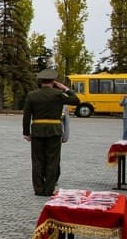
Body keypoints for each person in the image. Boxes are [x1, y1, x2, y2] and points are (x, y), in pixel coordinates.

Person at [22, 68, 82, 196]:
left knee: (37, 160)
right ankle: (49, 189)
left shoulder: (32, 95)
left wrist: (26, 132)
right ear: (53, 81)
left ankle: (38, 189)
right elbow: (76, 100)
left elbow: (26, 115)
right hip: (54, 130)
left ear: (41, 81)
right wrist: (65, 88)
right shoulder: (58, 94)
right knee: (52, 160)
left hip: (37, 130)